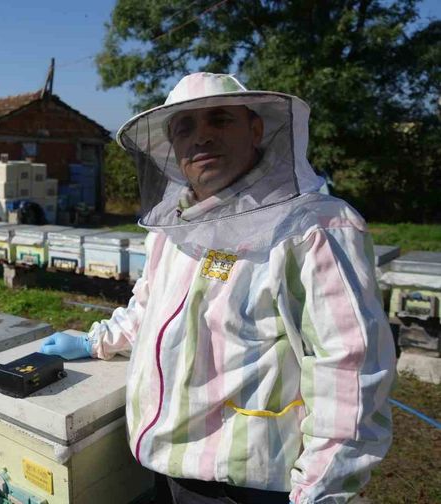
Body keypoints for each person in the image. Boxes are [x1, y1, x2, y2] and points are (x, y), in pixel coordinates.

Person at [41, 73, 395, 504]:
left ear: (256, 129)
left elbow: (351, 371)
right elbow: (148, 310)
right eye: (185, 127)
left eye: (220, 120)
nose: (202, 137)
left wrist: (321, 490)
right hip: (167, 463)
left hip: (254, 483)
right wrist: (95, 339)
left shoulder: (315, 228)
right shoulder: (174, 228)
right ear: (172, 145)